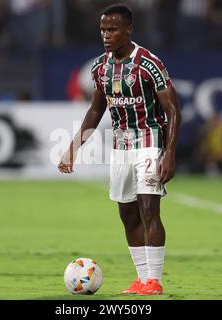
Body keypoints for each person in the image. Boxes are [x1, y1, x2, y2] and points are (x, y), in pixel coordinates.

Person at [58, 4, 181, 295]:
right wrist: (74, 147)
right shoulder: (101, 67)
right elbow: (95, 110)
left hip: (150, 142)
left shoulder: (148, 64)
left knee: (149, 208)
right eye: (103, 30)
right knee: (127, 214)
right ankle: (141, 279)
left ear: (128, 29)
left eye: (112, 29)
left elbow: (173, 110)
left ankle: (155, 280)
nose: (106, 35)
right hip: (121, 146)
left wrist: (170, 152)